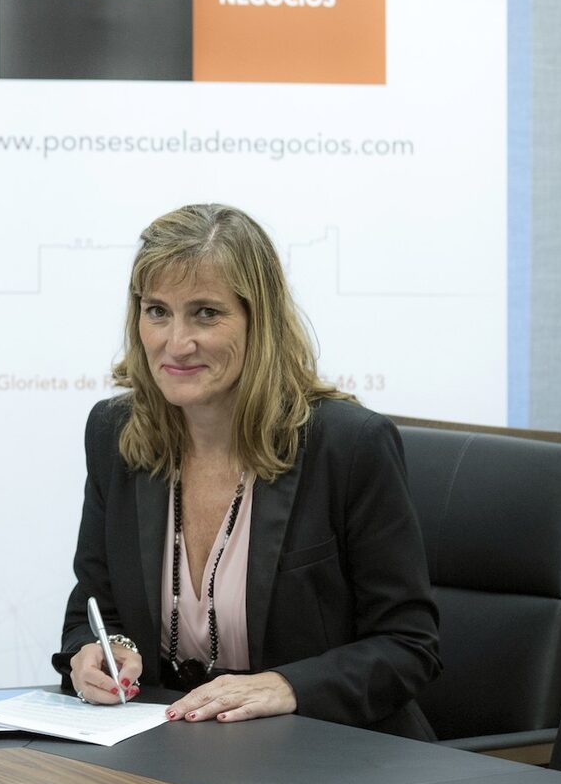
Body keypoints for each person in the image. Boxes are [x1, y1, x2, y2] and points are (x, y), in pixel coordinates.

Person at [53, 204, 440, 738]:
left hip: (332, 755)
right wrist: (98, 651)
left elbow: (409, 646)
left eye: (206, 314)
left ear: (260, 320)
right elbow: (92, 609)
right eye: (157, 311)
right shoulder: (114, 433)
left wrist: (287, 686)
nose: (176, 343)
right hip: (172, 749)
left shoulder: (348, 445)